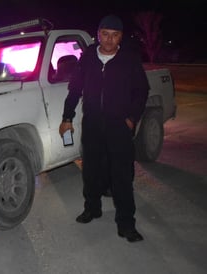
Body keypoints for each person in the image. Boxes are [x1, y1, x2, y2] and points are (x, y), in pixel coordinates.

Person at [59, 14, 149, 242]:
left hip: (119, 126)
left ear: (121, 37)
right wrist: (67, 117)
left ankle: (126, 223)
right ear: (98, 34)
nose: (109, 40)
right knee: (90, 170)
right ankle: (92, 208)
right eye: (105, 34)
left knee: (121, 175)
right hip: (92, 124)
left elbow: (141, 91)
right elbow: (75, 88)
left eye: (115, 35)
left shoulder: (129, 59)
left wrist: (131, 119)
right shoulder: (88, 56)